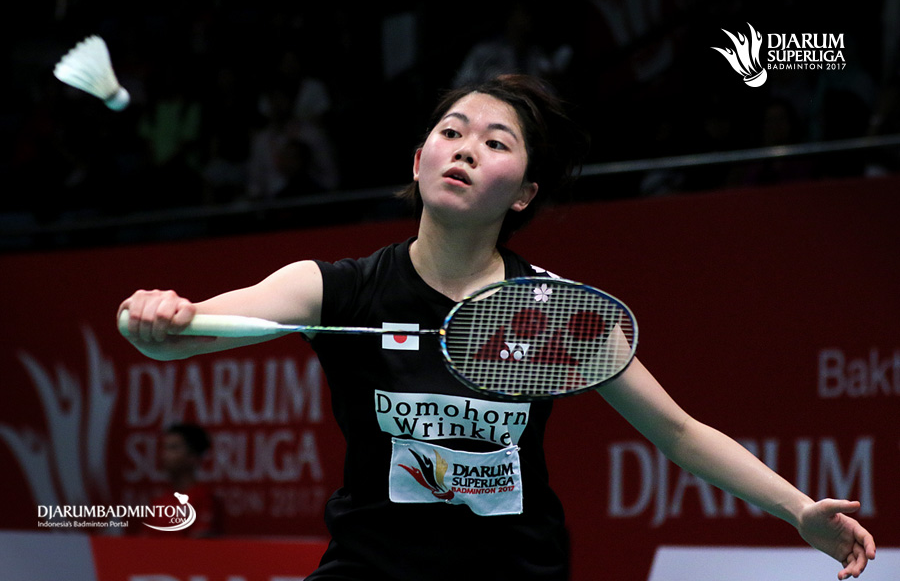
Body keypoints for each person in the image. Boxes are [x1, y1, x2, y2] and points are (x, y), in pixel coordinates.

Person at [118, 74, 875, 580]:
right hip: (370, 570)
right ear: (419, 160)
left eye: (496, 142)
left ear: (523, 194)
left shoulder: (557, 312)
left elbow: (677, 433)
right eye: (452, 132)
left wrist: (798, 512)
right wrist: (148, 315)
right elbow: (193, 330)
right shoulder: (335, 288)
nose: (467, 148)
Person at [142, 422, 224, 538]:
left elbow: (199, 544)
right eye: (164, 448)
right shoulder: (159, 501)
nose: (165, 455)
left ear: (193, 456)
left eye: (173, 448)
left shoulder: (205, 500)